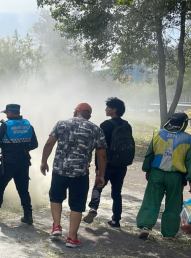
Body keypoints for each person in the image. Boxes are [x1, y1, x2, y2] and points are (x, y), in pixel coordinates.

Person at [40, 103, 107, 248]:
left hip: (60, 170)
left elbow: (48, 143)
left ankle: (56, 226)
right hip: (80, 173)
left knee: (56, 197)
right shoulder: (96, 129)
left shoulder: (61, 123)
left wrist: (43, 162)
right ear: (88, 115)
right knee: (77, 205)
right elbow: (102, 155)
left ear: (76, 111)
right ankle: (71, 238)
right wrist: (101, 175)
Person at [136, 112, 191, 240]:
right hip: (175, 177)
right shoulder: (188, 139)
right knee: (173, 204)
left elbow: (149, 154)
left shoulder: (157, 133)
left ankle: (145, 226)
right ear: (184, 124)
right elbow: (190, 161)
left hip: (156, 173)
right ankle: (169, 233)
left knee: (151, 200)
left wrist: (147, 170)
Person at [84, 97, 134, 228]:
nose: (105, 109)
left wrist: (98, 167)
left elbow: (100, 148)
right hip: (121, 165)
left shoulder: (105, 125)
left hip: (107, 163)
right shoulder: (127, 125)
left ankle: (93, 207)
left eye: (107, 107)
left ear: (114, 110)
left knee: (98, 186)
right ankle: (116, 220)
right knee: (117, 193)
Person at [0, 104, 39, 224]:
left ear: (10, 113)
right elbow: (35, 144)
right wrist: (25, 149)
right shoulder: (28, 125)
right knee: (23, 190)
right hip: (23, 163)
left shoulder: (5, 125)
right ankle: (28, 216)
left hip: (8, 164)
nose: (6, 115)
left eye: (6, 113)